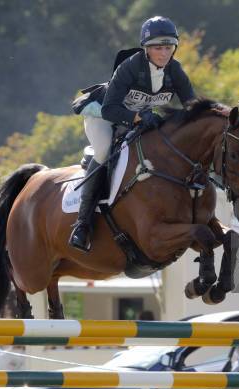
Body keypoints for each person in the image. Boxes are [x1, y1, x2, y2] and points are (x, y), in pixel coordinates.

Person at [68, 16, 195, 251]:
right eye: (158, 47)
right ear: (146, 48)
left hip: (134, 120)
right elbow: (110, 108)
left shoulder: (174, 70)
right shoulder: (130, 67)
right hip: (103, 115)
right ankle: (82, 224)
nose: (164, 53)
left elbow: (192, 105)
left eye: (168, 47)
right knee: (105, 150)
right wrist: (138, 117)